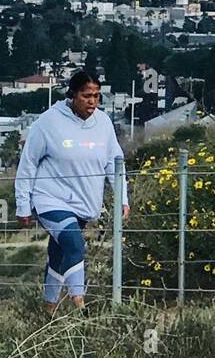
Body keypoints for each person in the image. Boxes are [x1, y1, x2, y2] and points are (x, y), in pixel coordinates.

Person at [14, 70, 129, 313]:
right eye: (87, 96)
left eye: (97, 96)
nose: (92, 102)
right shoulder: (48, 122)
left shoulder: (104, 123)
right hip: (49, 199)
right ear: (73, 95)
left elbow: (114, 162)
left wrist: (122, 198)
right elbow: (28, 164)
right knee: (75, 244)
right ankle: (79, 303)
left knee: (59, 254)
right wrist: (23, 205)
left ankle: (48, 308)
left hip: (85, 202)